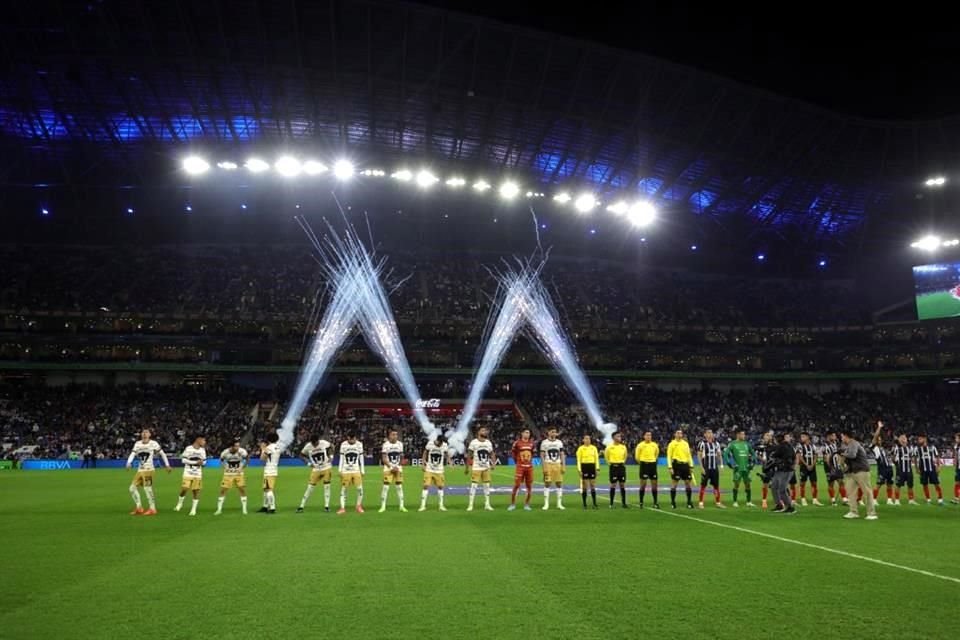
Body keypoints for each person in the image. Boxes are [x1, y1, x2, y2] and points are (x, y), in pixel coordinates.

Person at [125, 428, 171, 516]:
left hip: (149, 470)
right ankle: (139, 508)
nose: (144, 434)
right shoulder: (137, 444)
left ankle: (152, 509)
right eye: (143, 432)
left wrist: (167, 465)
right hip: (140, 470)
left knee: (147, 488)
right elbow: (133, 454)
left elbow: (162, 454)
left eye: (146, 432)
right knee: (132, 488)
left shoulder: (153, 443)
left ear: (150, 435)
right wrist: (129, 463)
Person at [840, 430, 877, 520]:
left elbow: (852, 455)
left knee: (867, 492)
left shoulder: (853, 443)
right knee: (851, 492)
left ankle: (871, 513)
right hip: (852, 472)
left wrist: (842, 453)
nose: (841, 438)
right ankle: (853, 512)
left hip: (862, 470)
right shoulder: (849, 445)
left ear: (846, 436)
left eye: (842, 436)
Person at [297, 434, 333, 513]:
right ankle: (301, 506)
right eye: (313, 443)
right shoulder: (308, 446)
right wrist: (308, 463)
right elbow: (301, 455)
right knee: (310, 488)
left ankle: (326, 506)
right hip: (316, 469)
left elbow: (331, 446)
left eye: (315, 443)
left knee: (327, 487)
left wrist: (331, 456)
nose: (314, 445)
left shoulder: (323, 442)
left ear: (318, 441)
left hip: (326, 467)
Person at [175, 435, 207, 516]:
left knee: (196, 491)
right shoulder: (188, 448)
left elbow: (205, 462)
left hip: (198, 474)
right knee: (184, 489)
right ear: (198, 440)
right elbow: (183, 460)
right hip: (188, 472)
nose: (204, 442)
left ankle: (193, 509)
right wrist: (195, 462)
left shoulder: (203, 450)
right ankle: (180, 503)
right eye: (203, 440)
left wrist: (202, 463)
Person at [215, 439, 248, 515]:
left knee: (242, 490)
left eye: (238, 446)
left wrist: (242, 467)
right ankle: (219, 509)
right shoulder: (225, 452)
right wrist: (224, 467)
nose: (238, 447)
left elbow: (247, 458)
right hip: (228, 474)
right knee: (223, 490)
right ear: (232, 447)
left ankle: (244, 509)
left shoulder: (242, 451)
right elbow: (221, 460)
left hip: (239, 474)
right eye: (236, 446)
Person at [466, 427, 496, 512]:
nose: (485, 431)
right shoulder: (474, 442)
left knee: (486, 486)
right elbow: (469, 455)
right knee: (474, 486)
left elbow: (492, 453)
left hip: (486, 467)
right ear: (478, 432)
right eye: (483, 430)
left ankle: (487, 504)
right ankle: (470, 504)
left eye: (486, 430)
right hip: (476, 467)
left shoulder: (488, 442)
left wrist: (493, 463)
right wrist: (467, 467)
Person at [723, 428, 754, 507]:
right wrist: (729, 463)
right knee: (736, 484)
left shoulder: (747, 444)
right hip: (738, 468)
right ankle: (735, 501)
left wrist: (753, 463)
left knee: (748, 484)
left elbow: (753, 454)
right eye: (742, 434)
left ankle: (749, 501)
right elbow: (725, 454)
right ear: (738, 435)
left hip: (746, 468)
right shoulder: (732, 444)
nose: (744, 436)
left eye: (744, 434)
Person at [769, 432, 797, 514]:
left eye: (776, 439)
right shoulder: (788, 446)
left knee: (781, 489)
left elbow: (774, 456)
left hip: (786, 470)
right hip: (781, 470)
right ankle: (779, 505)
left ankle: (790, 507)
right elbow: (794, 457)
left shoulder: (782, 446)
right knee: (774, 486)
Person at [420, 434, 449, 511]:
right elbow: (425, 452)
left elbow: (446, 453)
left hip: (439, 470)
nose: (442, 444)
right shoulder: (430, 444)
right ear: (438, 440)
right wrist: (423, 463)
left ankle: (441, 505)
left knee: (440, 487)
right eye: (441, 442)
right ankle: (422, 506)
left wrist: (449, 460)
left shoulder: (444, 445)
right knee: (426, 485)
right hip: (429, 469)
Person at [509, 428, 536, 511]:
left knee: (529, 486)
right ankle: (512, 504)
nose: (527, 434)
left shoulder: (532, 443)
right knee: (516, 485)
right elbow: (513, 453)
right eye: (526, 432)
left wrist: (529, 462)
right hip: (520, 467)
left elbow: (533, 453)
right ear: (522, 433)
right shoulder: (517, 443)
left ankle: (527, 504)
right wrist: (517, 462)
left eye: (528, 433)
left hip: (529, 467)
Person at [338, 432, 365, 514]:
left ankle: (358, 506)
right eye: (350, 439)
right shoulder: (343, 444)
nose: (352, 441)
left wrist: (362, 470)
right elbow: (341, 458)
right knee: (344, 489)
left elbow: (361, 457)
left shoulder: (359, 444)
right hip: (346, 470)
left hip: (356, 470)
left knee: (360, 489)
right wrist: (340, 470)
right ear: (348, 438)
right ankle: (342, 508)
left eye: (354, 439)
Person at [666, 429, 694, 510]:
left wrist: (691, 466)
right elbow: (669, 456)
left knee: (688, 483)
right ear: (675, 434)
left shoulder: (685, 444)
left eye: (680, 433)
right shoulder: (672, 444)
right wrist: (670, 467)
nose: (679, 434)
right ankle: (673, 502)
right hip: (676, 465)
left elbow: (689, 455)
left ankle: (689, 502)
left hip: (685, 465)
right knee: (674, 484)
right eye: (678, 433)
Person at [696, 429, 725, 509]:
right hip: (706, 468)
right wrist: (701, 467)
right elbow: (698, 455)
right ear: (705, 434)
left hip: (714, 468)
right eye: (708, 433)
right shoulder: (702, 443)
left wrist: (721, 466)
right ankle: (701, 502)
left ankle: (718, 502)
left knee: (716, 486)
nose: (710, 434)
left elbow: (719, 455)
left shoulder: (716, 444)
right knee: (703, 485)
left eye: (711, 433)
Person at [379, 429, 406, 513]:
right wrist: (391, 467)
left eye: (396, 434)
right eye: (393, 434)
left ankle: (401, 506)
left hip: (398, 468)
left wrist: (398, 466)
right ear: (389, 435)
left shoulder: (400, 444)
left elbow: (401, 457)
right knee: (386, 487)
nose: (395, 436)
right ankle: (383, 506)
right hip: (388, 469)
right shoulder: (385, 445)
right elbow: (384, 459)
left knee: (399, 487)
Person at [540, 428, 566, 510]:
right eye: (552, 432)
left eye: (555, 432)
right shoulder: (544, 442)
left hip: (557, 464)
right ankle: (546, 504)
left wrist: (563, 465)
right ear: (548, 433)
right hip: (548, 464)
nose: (554, 433)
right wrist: (544, 466)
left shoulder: (559, 442)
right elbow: (542, 455)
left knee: (559, 483)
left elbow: (562, 454)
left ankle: (559, 504)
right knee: (547, 483)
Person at [870, 421, 895, 506]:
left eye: (880, 439)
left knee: (890, 484)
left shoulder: (883, 448)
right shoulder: (874, 448)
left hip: (889, 468)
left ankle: (889, 500)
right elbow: (875, 437)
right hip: (882, 468)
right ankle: (873, 499)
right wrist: (879, 427)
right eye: (878, 439)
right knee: (878, 484)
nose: (880, 440)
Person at [915, 434, 944, 506]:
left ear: (925, 439)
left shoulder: (932, 447)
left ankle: (940, 500)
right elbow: (915, 458)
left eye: (920, 439)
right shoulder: (917, 449)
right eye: (918, 439)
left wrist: (938, 466)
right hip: (923, 470)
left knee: (936, 484)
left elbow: (937, 457)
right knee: (925, 485)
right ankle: (928, 500)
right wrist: (916, 468)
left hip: (932, 469)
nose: (919, 441)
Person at [634, 430, 660, 509]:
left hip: (652, 465)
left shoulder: (654, 445)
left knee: (654, 484)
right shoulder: (640, 445)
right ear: (644, 436)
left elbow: (656, 454)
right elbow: (637, 457)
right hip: (644, 465)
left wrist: (652, 460)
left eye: (650, 435)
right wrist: (642, 462)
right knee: (643, 484)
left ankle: (655, 502)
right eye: (647, 435)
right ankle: (641, 502)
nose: (649, 437)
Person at [795, 432, 822, 506]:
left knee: (814, 483)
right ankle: (803, 499)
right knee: (802, 483)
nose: (801, 438)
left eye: (803, 436)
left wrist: (812, 464)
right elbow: (800, 456)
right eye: (801, 437)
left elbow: (816, 455)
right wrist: (806, 465)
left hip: (812, 467)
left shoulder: (813, 446)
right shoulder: (800, 446)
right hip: (804, 467)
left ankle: (815, 499)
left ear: (807, 437)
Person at [891, 434, 918, 505]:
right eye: (901, 438)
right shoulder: (896, 448)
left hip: (909, 470)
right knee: (898, 485)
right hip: (900, 471)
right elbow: (893, 458)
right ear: (899, 440)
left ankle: (911, 500)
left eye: (904, 438)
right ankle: (897, 500)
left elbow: (912, 458)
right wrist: (897, 464)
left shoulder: (910, 448)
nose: (903, 439)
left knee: (910, 485)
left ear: (907, 440)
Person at [605, 432, 629, 509]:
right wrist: (611, 464)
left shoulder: (623, 447)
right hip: (613, 467)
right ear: (613, 438)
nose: (619, 437)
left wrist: (622, 463)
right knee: (613, 485)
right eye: (617, 436)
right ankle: (611, 503)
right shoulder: (609, 447)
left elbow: (625, 456)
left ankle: (624, 503)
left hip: (621, 467)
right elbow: (606, 457)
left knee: (622, 484)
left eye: (620, 436)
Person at [259, 433, 281, 514]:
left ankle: (272, 508)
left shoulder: (268, 448)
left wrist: (262, 449)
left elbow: (262, 459)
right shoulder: (278, 447)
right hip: (274, 469)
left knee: (268, 489)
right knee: (265, 489)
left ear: (268, 439)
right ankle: (265, 506)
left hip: (269, 471)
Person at [576, 434, 599, 509]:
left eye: (589, 439)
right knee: (585, 486)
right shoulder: (580, 449)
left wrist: (597, 469)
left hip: (592, 466)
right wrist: (579, 469)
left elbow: (596, 459)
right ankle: (584, 504)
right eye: (586, 438)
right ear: (583, 440)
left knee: (593, 485)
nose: (587, 440)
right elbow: (578, 460)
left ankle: (594, 503)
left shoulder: (594, 448)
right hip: (584, 466)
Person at [822, 432, 846, 506]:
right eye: (833, 435)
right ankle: (833, 500)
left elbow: (838, 455)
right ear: (829, 437)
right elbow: (827, 459)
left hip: (837, 467)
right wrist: (831, 468)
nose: (835, 436)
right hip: (830, 468)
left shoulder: (835, 444)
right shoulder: (826, 447)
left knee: (841, 482)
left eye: (835, 435)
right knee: (831, 484)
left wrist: (841, 464)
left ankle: (844, 499)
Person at [755, 430, 774, 510]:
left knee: (777, 484)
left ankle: (779, 500)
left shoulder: (774, 446)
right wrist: (763, 459)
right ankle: (764, 500)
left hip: (774, 467)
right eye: (766, 435)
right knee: (765, 484)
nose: (767, 437)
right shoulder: (761, 447)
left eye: (769, 435)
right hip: (766, 467)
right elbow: (756, 454)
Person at [953, 432, 960, 505]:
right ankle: (956, 498)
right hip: (958, 467)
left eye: (957, 438)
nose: (956, 439)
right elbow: (956, 455)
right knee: (957, 482)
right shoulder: (956, 446)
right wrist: (955, 461)